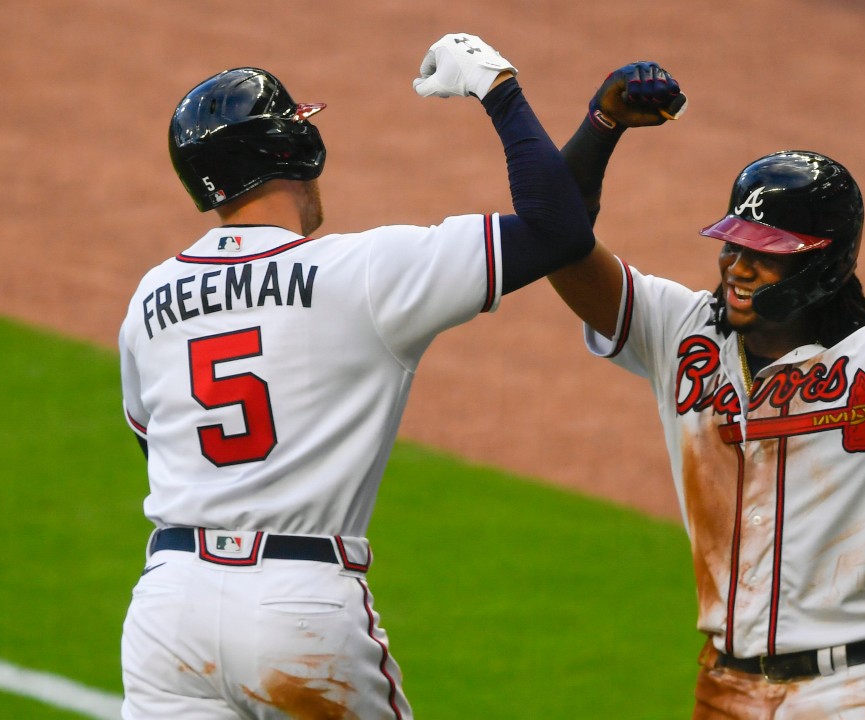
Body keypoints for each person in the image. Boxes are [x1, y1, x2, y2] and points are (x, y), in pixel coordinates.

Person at [549, 63, 865, 719]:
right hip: (727, 689)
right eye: (733, 242)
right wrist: (603, 124)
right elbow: (557, 244)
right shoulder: (681, 336)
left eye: (766, 251)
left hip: (859, 690)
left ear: (823, 262)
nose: (738, 264)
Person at [116, 34, 593, 719]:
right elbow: (558, 231)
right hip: (298, 605)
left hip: (168, 608)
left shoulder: (150, 301)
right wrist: (500, 89)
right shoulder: (365, 272)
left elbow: (159, 451)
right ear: (293, 152)